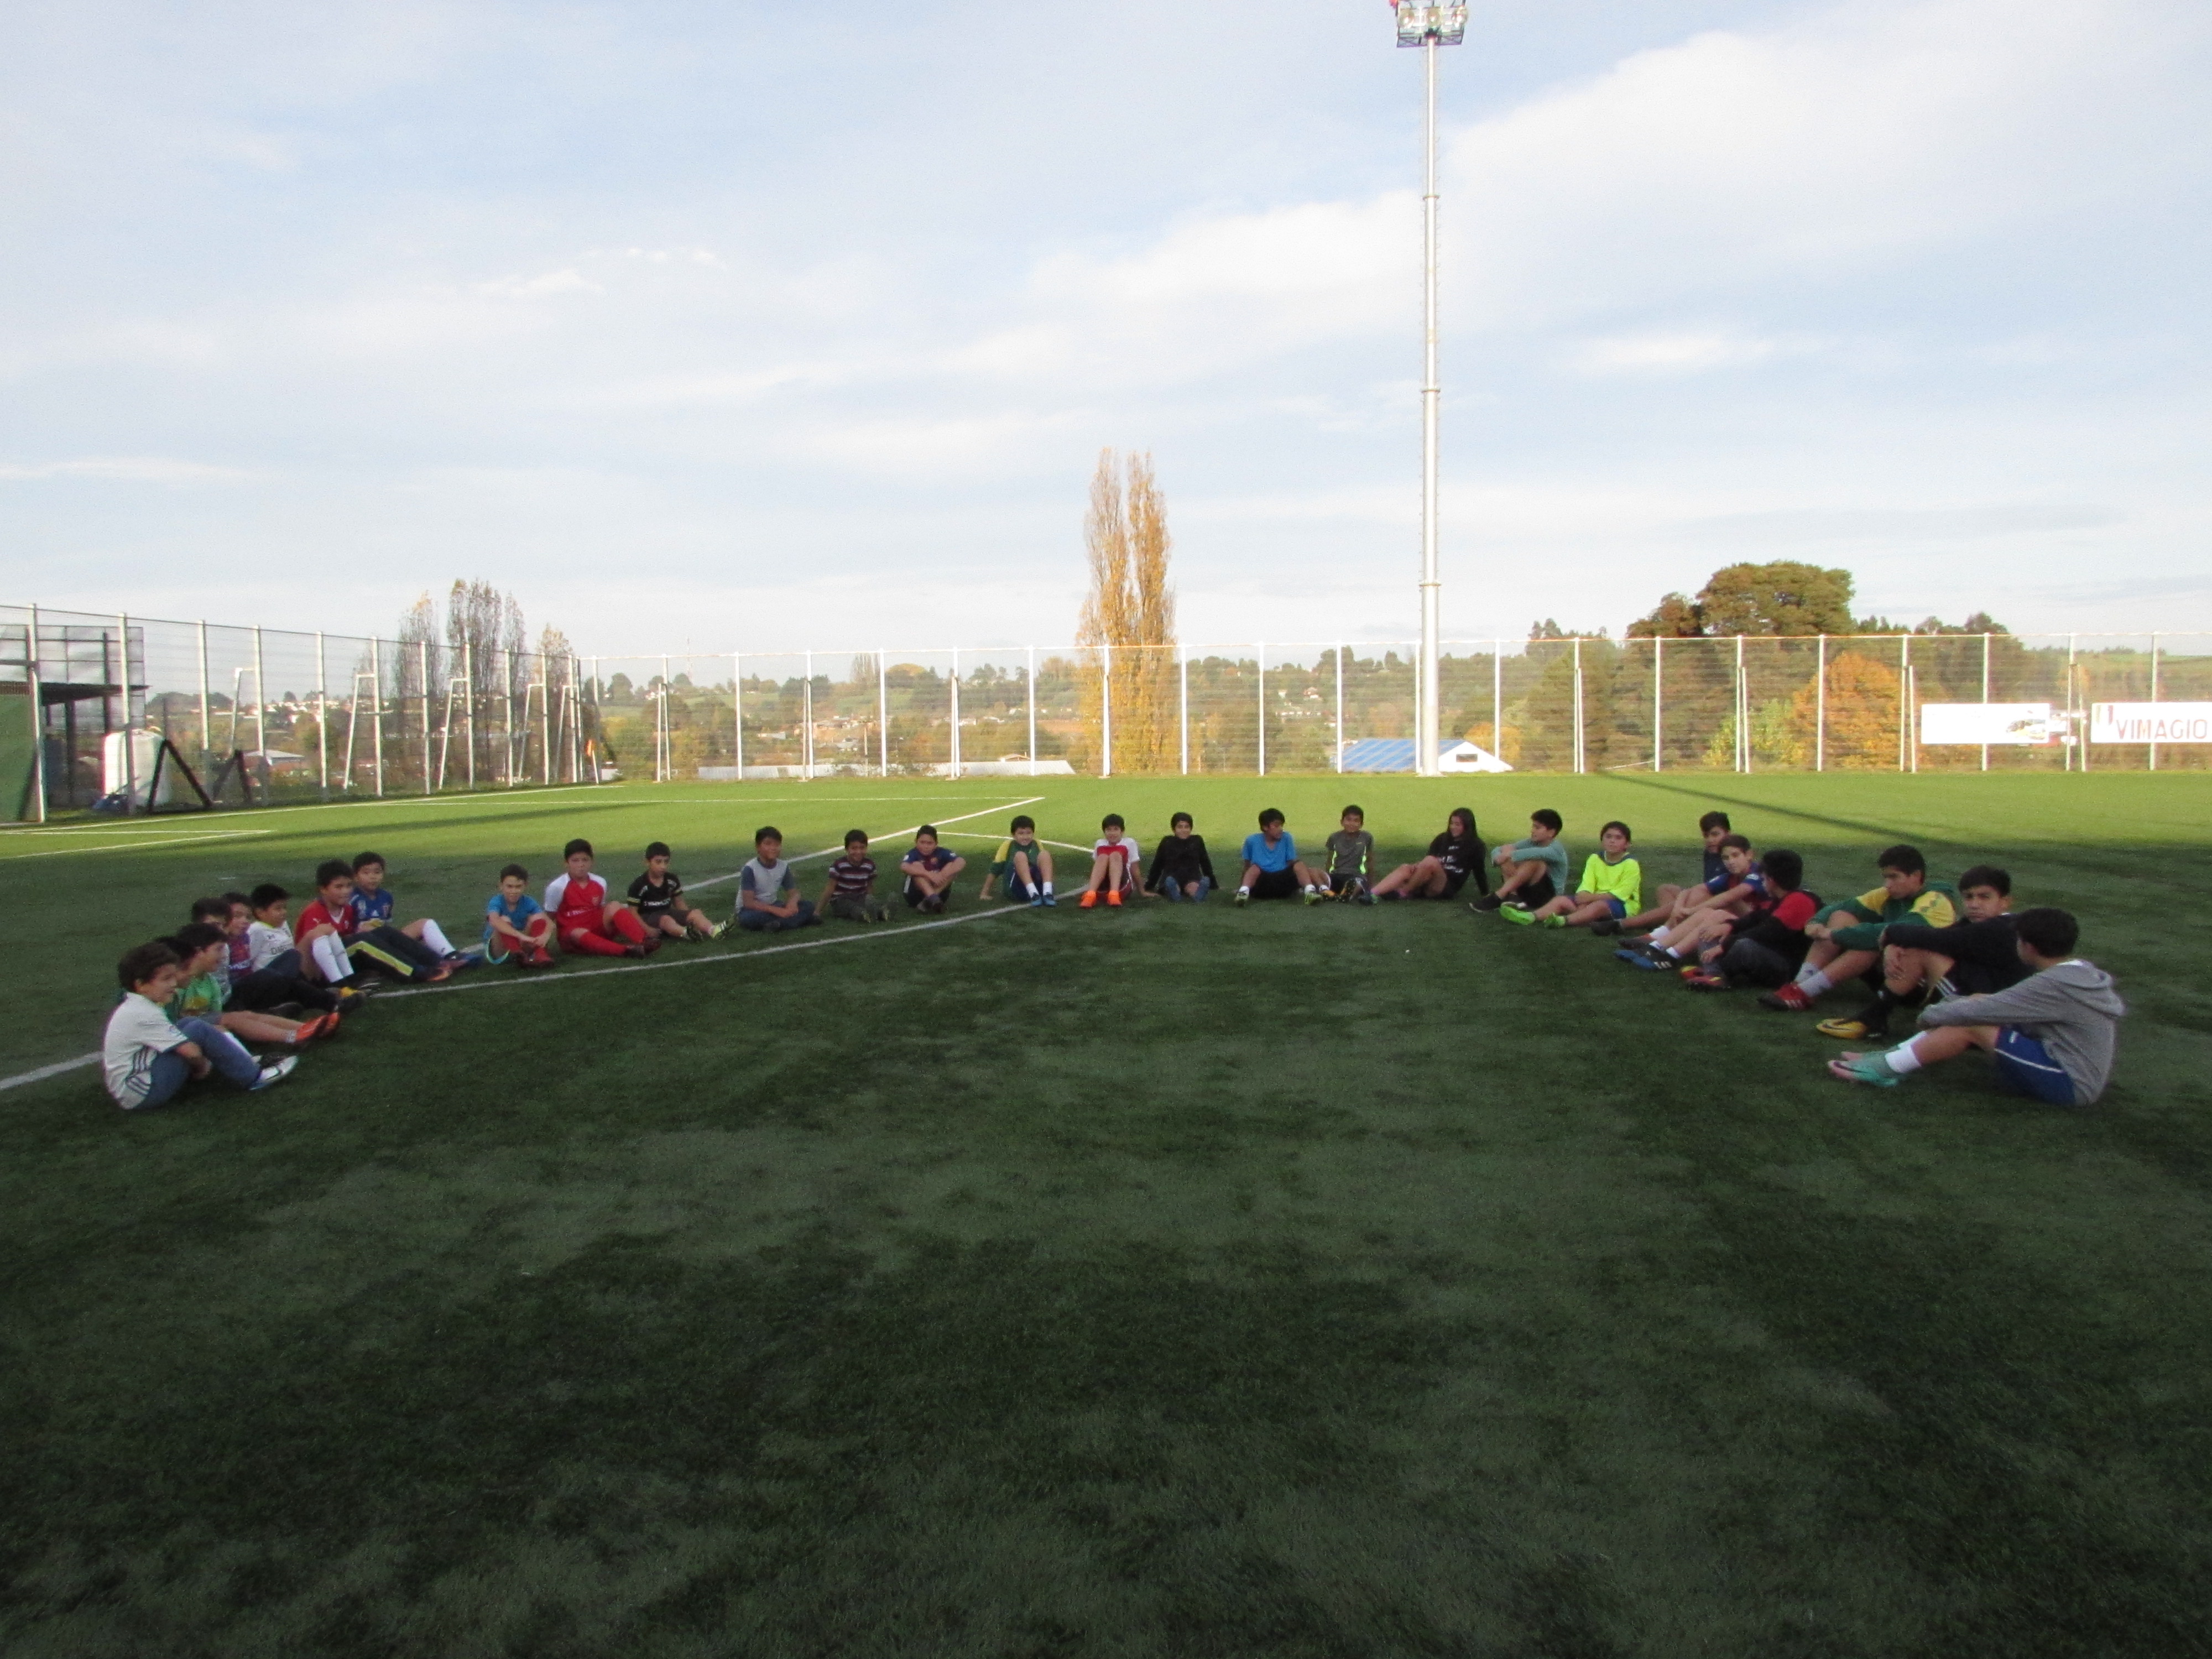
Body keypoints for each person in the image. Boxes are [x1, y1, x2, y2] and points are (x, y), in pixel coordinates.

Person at [1829, 908, 2125, 1105]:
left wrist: (1931, 1015)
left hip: (2072, 1084)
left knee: (1973, 1021)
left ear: (2028, 947)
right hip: (2058, 1062)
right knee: (1976, 1005)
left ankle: (1887, 1068)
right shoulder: (2074, 973)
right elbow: (1988, 1005)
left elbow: (1983, 1013)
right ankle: (1891, 1057)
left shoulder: (2057, 983)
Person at [1816, 865, 2022, 1041]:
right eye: (1969, 897)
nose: (1975, 904)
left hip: (1987, 1013)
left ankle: (1874, 1017)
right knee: (1912, 947)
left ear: (2005, 902)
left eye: (1985, 897)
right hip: (1976, 995)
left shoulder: (2003, 928)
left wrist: (1891, 934)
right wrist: (1894, 945)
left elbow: (1942, 939)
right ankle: (1876, 1013)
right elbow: (1941, 936)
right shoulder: (1975, 924)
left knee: (1917, 951)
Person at [1760, 845, 1958, 1013]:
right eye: (1886, 877)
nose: (1888, 885)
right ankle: (1799, 985)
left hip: (1916, 982)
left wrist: (1835, 935)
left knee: (1871, 942)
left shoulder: (1936, 900)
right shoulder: (1888, 895)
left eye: (1894, 877)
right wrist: (1816, 922)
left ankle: (1806, 991)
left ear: (1916, 876)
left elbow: (1895, 930)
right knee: (1842, 917)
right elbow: (1841, 907)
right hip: (1890, 970)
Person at [103, 941, 296, 1110]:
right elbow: (191, 1053)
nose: (174, 983)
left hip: (135, 1087)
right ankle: (254, 1077)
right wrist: (202, 1067)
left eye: (173, 977)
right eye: (166, 979)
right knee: (196, 1028)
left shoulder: (136, 1005)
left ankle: (246, 1062)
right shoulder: (143, 1013)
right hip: (142, 1093)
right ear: (140, 985)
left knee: (187, 1024)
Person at [161, 923, 336, 1045]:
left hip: (204, 1022)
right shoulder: (180, 982)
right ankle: (293, 1036)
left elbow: (216, 1012)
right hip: (188, 1028)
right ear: (198, 953)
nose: (223, 955)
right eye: (218, 949)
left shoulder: (209, 981)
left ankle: (308, 1028)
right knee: (234, 1018)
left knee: (246, 1015)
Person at [1614, 834, 1765, 968]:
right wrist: (1678, 908)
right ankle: (1656, 947)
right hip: (1743, 922)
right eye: (1726, 858)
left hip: (1758, 927)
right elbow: (1693, 890)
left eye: (1735, 856)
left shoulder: (1758, 873)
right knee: (1700, 902)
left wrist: (1692, 910)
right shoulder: (1730, 877)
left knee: (1717, 911)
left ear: (1749, 855)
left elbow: (1731, 896)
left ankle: (1670, 954)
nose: (1731, 862)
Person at [296, 860, 456, 984]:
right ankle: (415, 972)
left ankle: (436, 961)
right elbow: (314, 952)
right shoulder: (315, 912)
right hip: (321, 971)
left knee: (382, 932)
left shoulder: (348, 909)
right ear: (323, 889)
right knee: (361, 941)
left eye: (349, 886)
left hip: (343, 959)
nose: (345, 891)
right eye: (338, 887)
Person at [1679, 850, 1819, 990]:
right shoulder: (1782, 898)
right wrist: (1730, 926)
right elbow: (1755, 918)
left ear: (1771, 881)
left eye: (1763, 879)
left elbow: (1766, 932)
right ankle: (1712, 972)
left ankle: (1717, 976)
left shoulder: (1800, 901)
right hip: (1773, 953)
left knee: (1744, 946)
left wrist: (1726, 944)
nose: (1763, 883)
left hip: (1787, 967)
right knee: (1710, 931)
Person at [196, 890, 348, 1015]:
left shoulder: (243, 938)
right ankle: (330, 1001)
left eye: (247, 917)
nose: (244, 921)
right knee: (274, 978)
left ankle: (312, 998)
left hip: (247, 986)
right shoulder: (214, 947)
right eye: (237, 916)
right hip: (233, 994)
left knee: (291, 958)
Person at [1597, 811, 1732, 937]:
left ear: (1728, 834)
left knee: (1683, 902)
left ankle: (1622, 924)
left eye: (1715, 835)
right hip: (1706, 894)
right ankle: (1667, 923)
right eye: (1706, 836)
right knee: (1665, 890)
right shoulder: (1710, 853)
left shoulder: (1732, 856)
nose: (1710, 840)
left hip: (1722, 903)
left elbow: (1727, 893)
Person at [1505, 821, 1639, 928]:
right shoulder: (1594, 858)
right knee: (1560, 900)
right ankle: (1530, 916)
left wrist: (1589, 899)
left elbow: (1620, 895)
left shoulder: (1631, 864)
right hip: (1591, 899)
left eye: (1618, 838)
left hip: (1621, 905)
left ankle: (1563, 921)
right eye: (1608, 837)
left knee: (1599, 906)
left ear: (1627, 844)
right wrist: (1584, 896)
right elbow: (1587, 883)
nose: (1612, 841)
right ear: (1602, 840)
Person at [349, 852, 470, 967]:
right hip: (366, 945)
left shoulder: (386, 897)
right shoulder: (351, 898)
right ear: (356, 877)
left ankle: (451, 955)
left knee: (425, 924)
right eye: (366, 873)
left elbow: (386, 924)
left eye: (377, 872)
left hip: (386, 940)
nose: (372, 877)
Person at [546, 838, 660, 958]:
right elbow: (550, 917)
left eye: (585, 860)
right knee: (578, 933)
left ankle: (644, 940)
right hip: (572, 935)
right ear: (566, 863)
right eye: (575, 861)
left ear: (592, 862)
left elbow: (600, 909)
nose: (581, 865)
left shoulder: (600, 882)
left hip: (595, 927)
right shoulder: (557, 887)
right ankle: (626, 951)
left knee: (614, 906)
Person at [1371, 807, 1486, 902]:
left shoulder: (1475, 845)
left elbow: (1479, 871)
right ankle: (1372, 894)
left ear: (1467, 826)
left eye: (1458, 825)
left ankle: (1403, 892)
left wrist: (1485, 893)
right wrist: (1416, 866)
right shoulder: (1442, 839)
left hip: (1446, 885)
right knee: (1406, 868)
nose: (1453, 827)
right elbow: (1426, 864)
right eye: (1452, 823)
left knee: (1431, 861)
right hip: (1428, 878)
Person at [1471, 811, 1568, 913]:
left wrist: (1509, 854)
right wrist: (1498, 857)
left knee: (1536, 862)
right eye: (1533, 826)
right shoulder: (1531, 842)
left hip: (1549, 897)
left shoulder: (1556, 849)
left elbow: (1536, 853)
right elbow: (1499, 849)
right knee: (1507, 854)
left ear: (1551, 832)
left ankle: (1498, 896)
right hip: (1528, 890)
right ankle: (1513, 897)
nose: (1533, 831)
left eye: (1538, 828)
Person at [629, 842, 726, 941]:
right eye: (658, 862)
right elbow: (633, 912)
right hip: (649, 917)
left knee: (695, 913)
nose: (663, 866)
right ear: (647, 862)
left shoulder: (671, 880)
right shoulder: (639, 885)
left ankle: (714, 930)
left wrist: (688, 917)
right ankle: (686, 933)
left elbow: (679, 902)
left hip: (667, 912)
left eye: (666, 862)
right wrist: (647, 929)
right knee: (666, 920)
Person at [1234, 808, 1326, 905]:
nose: (1281, 829)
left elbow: (1291, 861)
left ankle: (1310, 892)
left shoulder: (1287, 838)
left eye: (1282, 825)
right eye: (1276, 826)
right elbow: (1247, 866)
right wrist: (1242, 885)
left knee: (1299, 864)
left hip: (1283, 881)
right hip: (1263, 884)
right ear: (1265, 827)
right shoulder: (1252, 841)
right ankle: (1243, 893)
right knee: (1254, 868)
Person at [737, 826, 822, 931]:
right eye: (768, 844)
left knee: (808, 905)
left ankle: (779, 924)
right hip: (752, 910)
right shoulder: (750, 869)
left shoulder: (783, 866)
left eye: (777, 844)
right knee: (750, 919)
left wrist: (792, 903)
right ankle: (798, 920)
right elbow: (749, 903)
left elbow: (794, 893)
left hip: (773, 904)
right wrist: (777, 911)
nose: (773, 848)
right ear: (758, 847)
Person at [483, 864, 557, 967]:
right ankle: (517, 953)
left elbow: (549, 922)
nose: (514, 891)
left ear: (525, 885)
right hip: (499, 950)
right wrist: (521, 936)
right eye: (509, 887)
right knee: (503, 920)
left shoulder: (528, 901)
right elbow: (494, 920)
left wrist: (546, 935)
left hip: (521, 944)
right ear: (501, 886)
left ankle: (539, 954)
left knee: (537, 918)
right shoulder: (497, 901)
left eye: (518, 887)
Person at [980, 816, 1055, 906]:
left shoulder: (1036, 844)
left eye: (1029, 833)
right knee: (1020, 856)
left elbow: (1044, 866)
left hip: (1037, 884)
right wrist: (984, 893)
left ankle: (1047, 893)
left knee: (1045, 854)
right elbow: (995, 870)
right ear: (1014, 835)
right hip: (1017, 889)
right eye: (1021, 834)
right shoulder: (1008, 845)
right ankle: (1033, 894)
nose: (1025, 837)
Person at [823, 830, 893, 922]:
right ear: (847, 849)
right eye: (854, 848)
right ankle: (863, 915)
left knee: (867, 901)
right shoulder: (839, 865)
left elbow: (869, 886)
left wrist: (871, 899)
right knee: (850, 906)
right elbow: (830, 888)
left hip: (859, 896)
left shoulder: (869, 865)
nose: (858, 852)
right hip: (841, 899)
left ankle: (883, 912)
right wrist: (818, 911)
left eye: (862, 848)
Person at [1146, 812, 1216, 902]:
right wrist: (1149, 886)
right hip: (1172, 877)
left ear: (1191, 828)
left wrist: (1213, 884)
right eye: (1180, 827)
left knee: (1194, 887)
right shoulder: (1167, 842)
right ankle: (1175, 895)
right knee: (1171, 884)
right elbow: (1157, 865)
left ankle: (1198, 896)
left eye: (1187, 827)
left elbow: (1205, 863)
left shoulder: (1197, 841)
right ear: (1174, 829)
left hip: (1192, 877)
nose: (1184, 830)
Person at [1079, 815, 1144, 909]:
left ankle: (1114, 894)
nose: (1112, 833)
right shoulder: (1100, 843)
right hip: (1103, 889)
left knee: (1115, 855)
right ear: (1104, 832)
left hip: (1122, 886)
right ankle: (1090, 895)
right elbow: (1097, 867)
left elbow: (1135, 869)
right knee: (1103, 857)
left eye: (1116, 829)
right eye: (1109, 830)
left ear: (1122, 831)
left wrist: (1142, 891)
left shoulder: (1129, 842)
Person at [900, 825, 966, 914]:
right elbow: (904, 866)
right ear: (916, 842)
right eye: (922, 843)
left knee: (951, 866)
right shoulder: (913, 854)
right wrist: (928, 874)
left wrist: (941, 876)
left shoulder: (942, 852)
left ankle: (930, 901)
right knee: (916, 866)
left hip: (940, 893)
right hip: (915, 896)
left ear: (936, 844)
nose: (926, 846)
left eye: (930, 843)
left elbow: (961, 861)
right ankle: (933, 899)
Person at [1323, 806, 1378, 904]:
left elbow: (1370, 862)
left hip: (1356, 875)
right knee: (1314, 873)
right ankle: (1327, 891)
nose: (1352, 824)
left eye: (1356, 821)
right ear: (1342, 822)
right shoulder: (1334, 837)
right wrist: (1326, 877)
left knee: (1357, 883)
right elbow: (1329, 861)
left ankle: (1345, 896)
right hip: (1337, 874)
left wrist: (1371, 886)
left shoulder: (1366, 837)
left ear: (1361, 824)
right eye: (1348, 820)